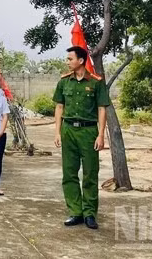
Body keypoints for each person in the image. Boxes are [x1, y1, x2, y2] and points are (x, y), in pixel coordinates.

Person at [53, 46, 109, 230]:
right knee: (69, 173)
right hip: (68, 130)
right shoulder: (63, 82)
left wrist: (101, 135)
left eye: (70, 59)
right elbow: (59, 107)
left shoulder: (95, 82)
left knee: (90, 173)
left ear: (81, 61)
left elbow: (102, 109)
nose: (67, 62)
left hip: (88, 132)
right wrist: (57, 132)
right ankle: (75, 211)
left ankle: (90, 213)